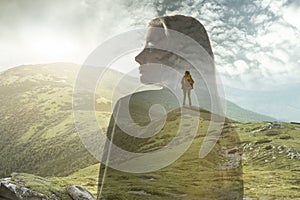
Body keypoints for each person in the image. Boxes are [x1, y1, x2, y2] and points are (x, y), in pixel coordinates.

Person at [97, 15, 243, 200]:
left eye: (150, 48)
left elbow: (109, 191)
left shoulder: (132, 108)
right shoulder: (224, 127)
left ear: (178, 54)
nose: (138, 57)